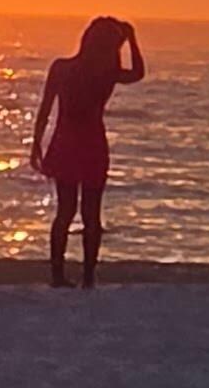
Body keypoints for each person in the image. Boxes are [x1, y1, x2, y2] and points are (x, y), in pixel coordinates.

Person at [28, 15, 144, 287]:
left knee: (65, 211)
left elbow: (45, 109)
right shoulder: (106, 75)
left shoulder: (62, 68)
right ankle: (88, 277)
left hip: (65, 142)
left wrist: (37, 142)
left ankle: (58, 275)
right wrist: (131, 39)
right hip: (91, 144)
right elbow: (138, 73)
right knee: (92, 214)